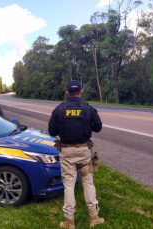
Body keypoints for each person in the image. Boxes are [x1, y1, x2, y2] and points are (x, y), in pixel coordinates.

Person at [48, 80, 104, 228]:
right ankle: (94, 217)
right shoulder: (88, 109)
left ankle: (69, 221)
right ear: (81, 91)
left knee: (68, 185)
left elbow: (52, 131)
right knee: (88, 182)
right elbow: (98, 127)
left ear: (67, 93)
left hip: (66, 152)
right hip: (85, 151)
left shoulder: (59, 109)